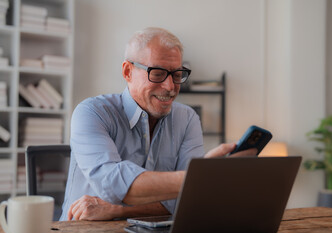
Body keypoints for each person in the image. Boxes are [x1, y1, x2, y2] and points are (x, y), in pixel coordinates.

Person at [60, 27, 256, 221]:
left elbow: (188, 202)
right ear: (128, 72)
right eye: (157, 73)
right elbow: (115, 184)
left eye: (177, 75)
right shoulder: (92, 113)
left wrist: (118, 211)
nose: (170, 87)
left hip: (153, 232)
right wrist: (202, 177)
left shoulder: (187, 119)